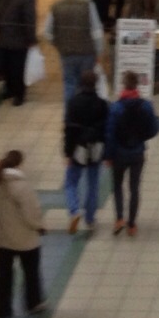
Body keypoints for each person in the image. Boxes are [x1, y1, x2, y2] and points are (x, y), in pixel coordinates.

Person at [0, 150, 46, 318]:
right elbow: (31, 213)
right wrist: (40, 226)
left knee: (3, 274)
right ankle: (33, 303)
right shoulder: (22, 186)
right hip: (25, 238)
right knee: (31, 272)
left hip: (2, 238)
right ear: (19, 165)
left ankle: (2, 309)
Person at [106, 70, 159, 237]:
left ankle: (119, 219)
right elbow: (154, 129)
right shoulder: (146, 105)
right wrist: (141, 138)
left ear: (124, 85)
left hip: (119, 153)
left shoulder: (116, 107)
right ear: (137, 85)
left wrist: (108, 155)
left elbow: (109, 134)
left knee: (117, 186)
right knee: (134, 188)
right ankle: (132, 224)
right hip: (137, 152)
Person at [43, 0, 104, 103]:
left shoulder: (56, 6)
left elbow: (47, 32)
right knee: (86, 84)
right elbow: (97, 31)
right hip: (87, 53)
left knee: (69, 83)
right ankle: (84, 110)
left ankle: (70, 112)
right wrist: (98, 51)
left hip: (67, 53)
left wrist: (58, 44)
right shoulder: (88, 4)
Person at [63, 72, 107, 234]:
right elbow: (106, 129)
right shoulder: (102, 104)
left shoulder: (73, 103)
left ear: (80, 84)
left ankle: (74, 210)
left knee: (70, 182)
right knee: (93, 185)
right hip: (96, 148)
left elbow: (69, 130)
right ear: (96, 84)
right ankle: (90, 219)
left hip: (78, 148)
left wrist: (68, 153)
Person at [0, 0, 37, 105]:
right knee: (6, 66)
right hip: (4, 35)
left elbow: (29, 17)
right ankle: (9, 89)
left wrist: (31, 38)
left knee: (17, 68)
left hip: (19, 37)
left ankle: (19, 94)